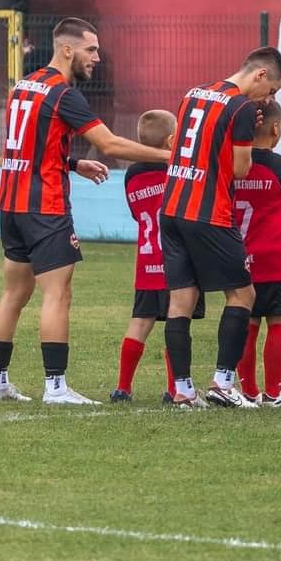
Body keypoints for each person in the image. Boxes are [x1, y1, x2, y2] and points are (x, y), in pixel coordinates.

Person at [0, 18, 169, 404]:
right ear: (67, 49)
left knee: (13, 294)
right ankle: (56, 387)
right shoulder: (64, 94)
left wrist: (71, 163)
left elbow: (27, 145)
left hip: (13, 204)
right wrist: (170, 156)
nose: (97, 58)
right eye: (91, 50)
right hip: (45, 207)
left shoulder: (25, 86)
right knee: (58, 295)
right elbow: (111, 144)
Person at [159, 46, 281, 409]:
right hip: (208, 211)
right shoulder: (243, 108)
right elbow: (242, 168)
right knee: (243, 295)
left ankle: (183, 389)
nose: (270, 98)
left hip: (171, 206)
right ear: (260, 75)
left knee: (181, 299)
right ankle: (222, 382)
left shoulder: (193, 93)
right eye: (273, 90)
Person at [112, 110, 195, 401]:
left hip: (146, 262)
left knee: (139, 322)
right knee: (177, 321)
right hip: (176, 261)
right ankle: (175, 390)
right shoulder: (176, 171)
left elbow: (138, 214)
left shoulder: (132, 174)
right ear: (172, 139)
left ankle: (123, 387)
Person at [229, 101, 281, 406]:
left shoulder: (235, 164)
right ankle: (273, 392)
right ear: (275, 128)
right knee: (279, 322)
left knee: (247, 324)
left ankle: (248, 390)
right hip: (275, 261)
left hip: (240, 257)